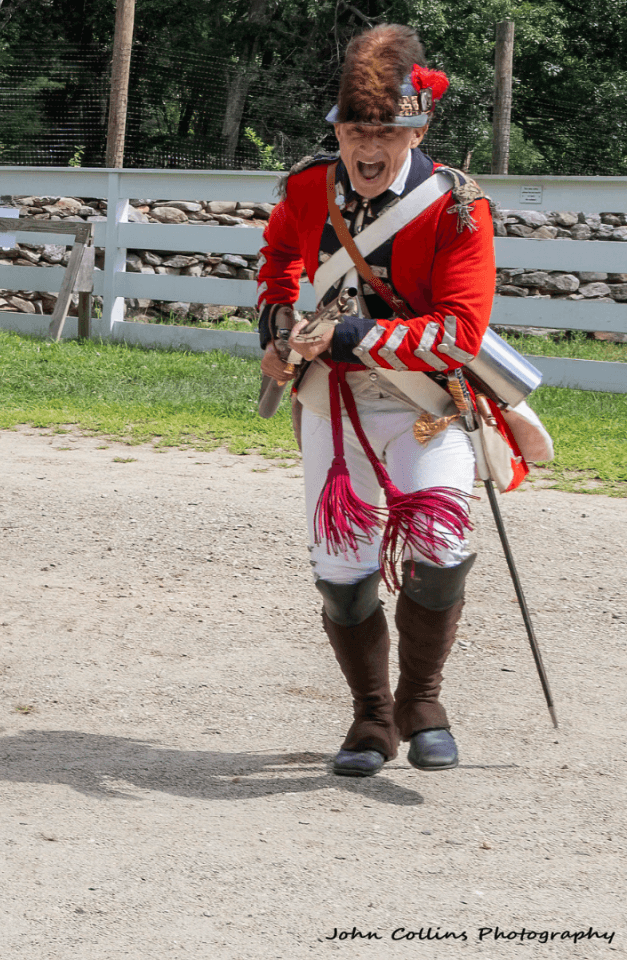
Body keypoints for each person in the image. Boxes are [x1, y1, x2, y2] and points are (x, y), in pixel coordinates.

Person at [257, 24, 497, 777]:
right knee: (341, 568)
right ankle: (371, 717)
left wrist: (343, 333)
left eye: (383, 132)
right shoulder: (306, 187)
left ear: (415, 130)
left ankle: (423, 700)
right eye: (355, 130)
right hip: (333, 403)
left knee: (442, 552)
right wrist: (275, 324)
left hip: (428, 402)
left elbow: (460, 333)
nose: (367, 147)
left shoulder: (458, 206)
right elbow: (277, 263)